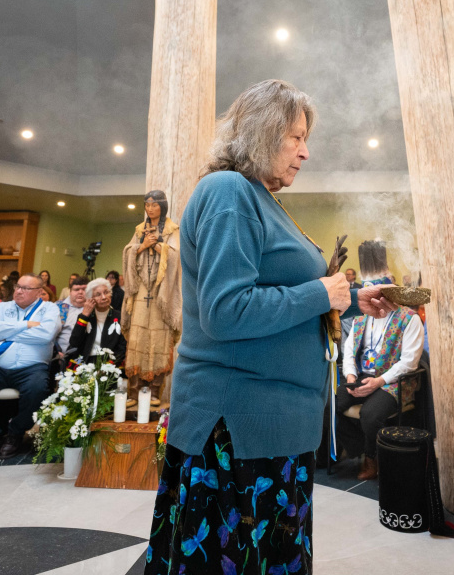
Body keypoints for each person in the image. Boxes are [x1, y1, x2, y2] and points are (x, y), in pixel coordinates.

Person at [145, 79, 391, 574]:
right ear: (261, 133)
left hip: (269, 422)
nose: (305, 152)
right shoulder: (228, 191)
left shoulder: (257, 196)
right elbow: (225, 311)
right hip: (239, 429)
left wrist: (350, 300)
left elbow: (277, 294)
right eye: (295, 137)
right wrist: (321, 292)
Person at [0, 273, 61, 462]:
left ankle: (15, 433)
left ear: (39, 292)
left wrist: (6, 332)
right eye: (17, 287)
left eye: (26, 288)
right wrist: (26, 325)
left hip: (32, 367)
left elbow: (45, 335)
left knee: (38, 389)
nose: (19, 291)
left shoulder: (49, 309)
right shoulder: (1, 307)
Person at [335, 291, 424, 480]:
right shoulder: (361, 318)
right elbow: (348, 351)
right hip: (361, 375)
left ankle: (371, 458)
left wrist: (379, 381)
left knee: (370, 414)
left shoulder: (409, 319)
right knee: (329, 404)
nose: (376, 300)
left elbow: (409, 362)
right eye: (372, 295)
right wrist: (350, 377)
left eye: (382, 295)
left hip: (393, 380)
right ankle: (357, 445)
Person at [121, 190, 181, 407]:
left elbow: (176, 256)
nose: (150, 208)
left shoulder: (173, 229)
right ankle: (133, 392)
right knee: (136, 339)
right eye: (147, 204)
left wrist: (158, 245)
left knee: (159, 340)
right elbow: (128, 251)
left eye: (154, 204)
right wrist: (143, 245)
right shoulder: (139, 230)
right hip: (140, 293)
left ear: (162, 206)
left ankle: (155, 391)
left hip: (160, 294)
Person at [66, 278, 126, 365]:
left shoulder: (120, 317)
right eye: (98, 294)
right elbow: (74, 342)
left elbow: (122, 347)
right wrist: (84, 315)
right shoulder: (85, 316)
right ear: (91, 299)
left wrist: (109, 366)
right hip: (85, 361)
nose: (104, 297)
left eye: (106, 292)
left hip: (110, 363)